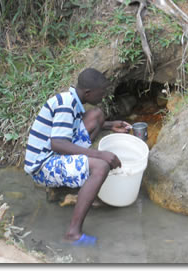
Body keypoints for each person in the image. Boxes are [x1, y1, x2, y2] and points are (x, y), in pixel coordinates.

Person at [24, 68, 132, 246]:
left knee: (96, 115)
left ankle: (77, 184)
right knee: (100, 166)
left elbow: (71, 128)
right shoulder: (66, 104)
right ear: (88, 93)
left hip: (53, 153)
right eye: (101, 93)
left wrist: (110, 125)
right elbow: (57, 143)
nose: (103, 96)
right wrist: (100, 155)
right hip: (43, 165)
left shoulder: (71, 99)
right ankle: (72, 233)